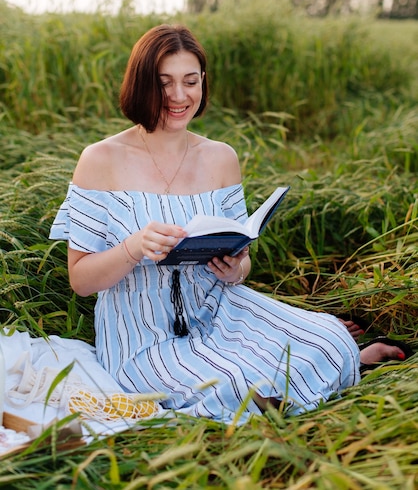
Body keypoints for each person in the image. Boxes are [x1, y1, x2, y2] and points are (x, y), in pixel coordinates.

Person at [49, 24, 408, 424]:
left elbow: (243, 257)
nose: (179, 96)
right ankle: (291, 392)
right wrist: (133, 248)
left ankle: (345, 362)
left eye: (190, 81)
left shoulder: (221, 158)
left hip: (221, 308)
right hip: (143, 333)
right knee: (232, 386)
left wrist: (236, 269)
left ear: (203, 82)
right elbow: (81, 280)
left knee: (327, 339)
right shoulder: (100, 160)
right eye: (164, 82)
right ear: (141, 85)